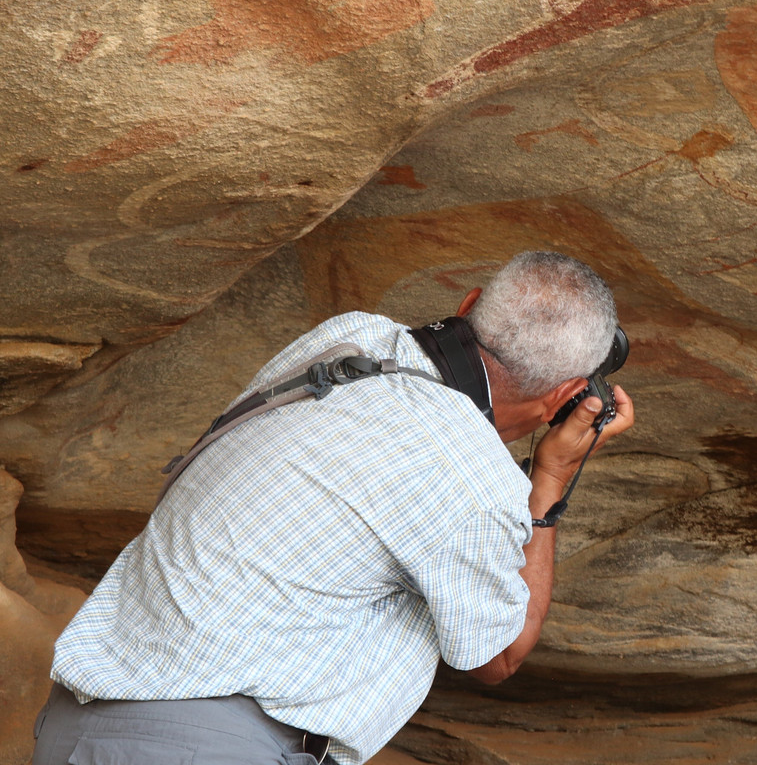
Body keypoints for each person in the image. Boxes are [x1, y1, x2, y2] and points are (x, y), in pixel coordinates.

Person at [32, 251, 634, 765]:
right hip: (206, 746)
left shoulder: (348, 337)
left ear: (470, 301)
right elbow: (498, 656)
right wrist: (550, 478)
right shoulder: (473, 478)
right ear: (564, 396)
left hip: (72, 728)